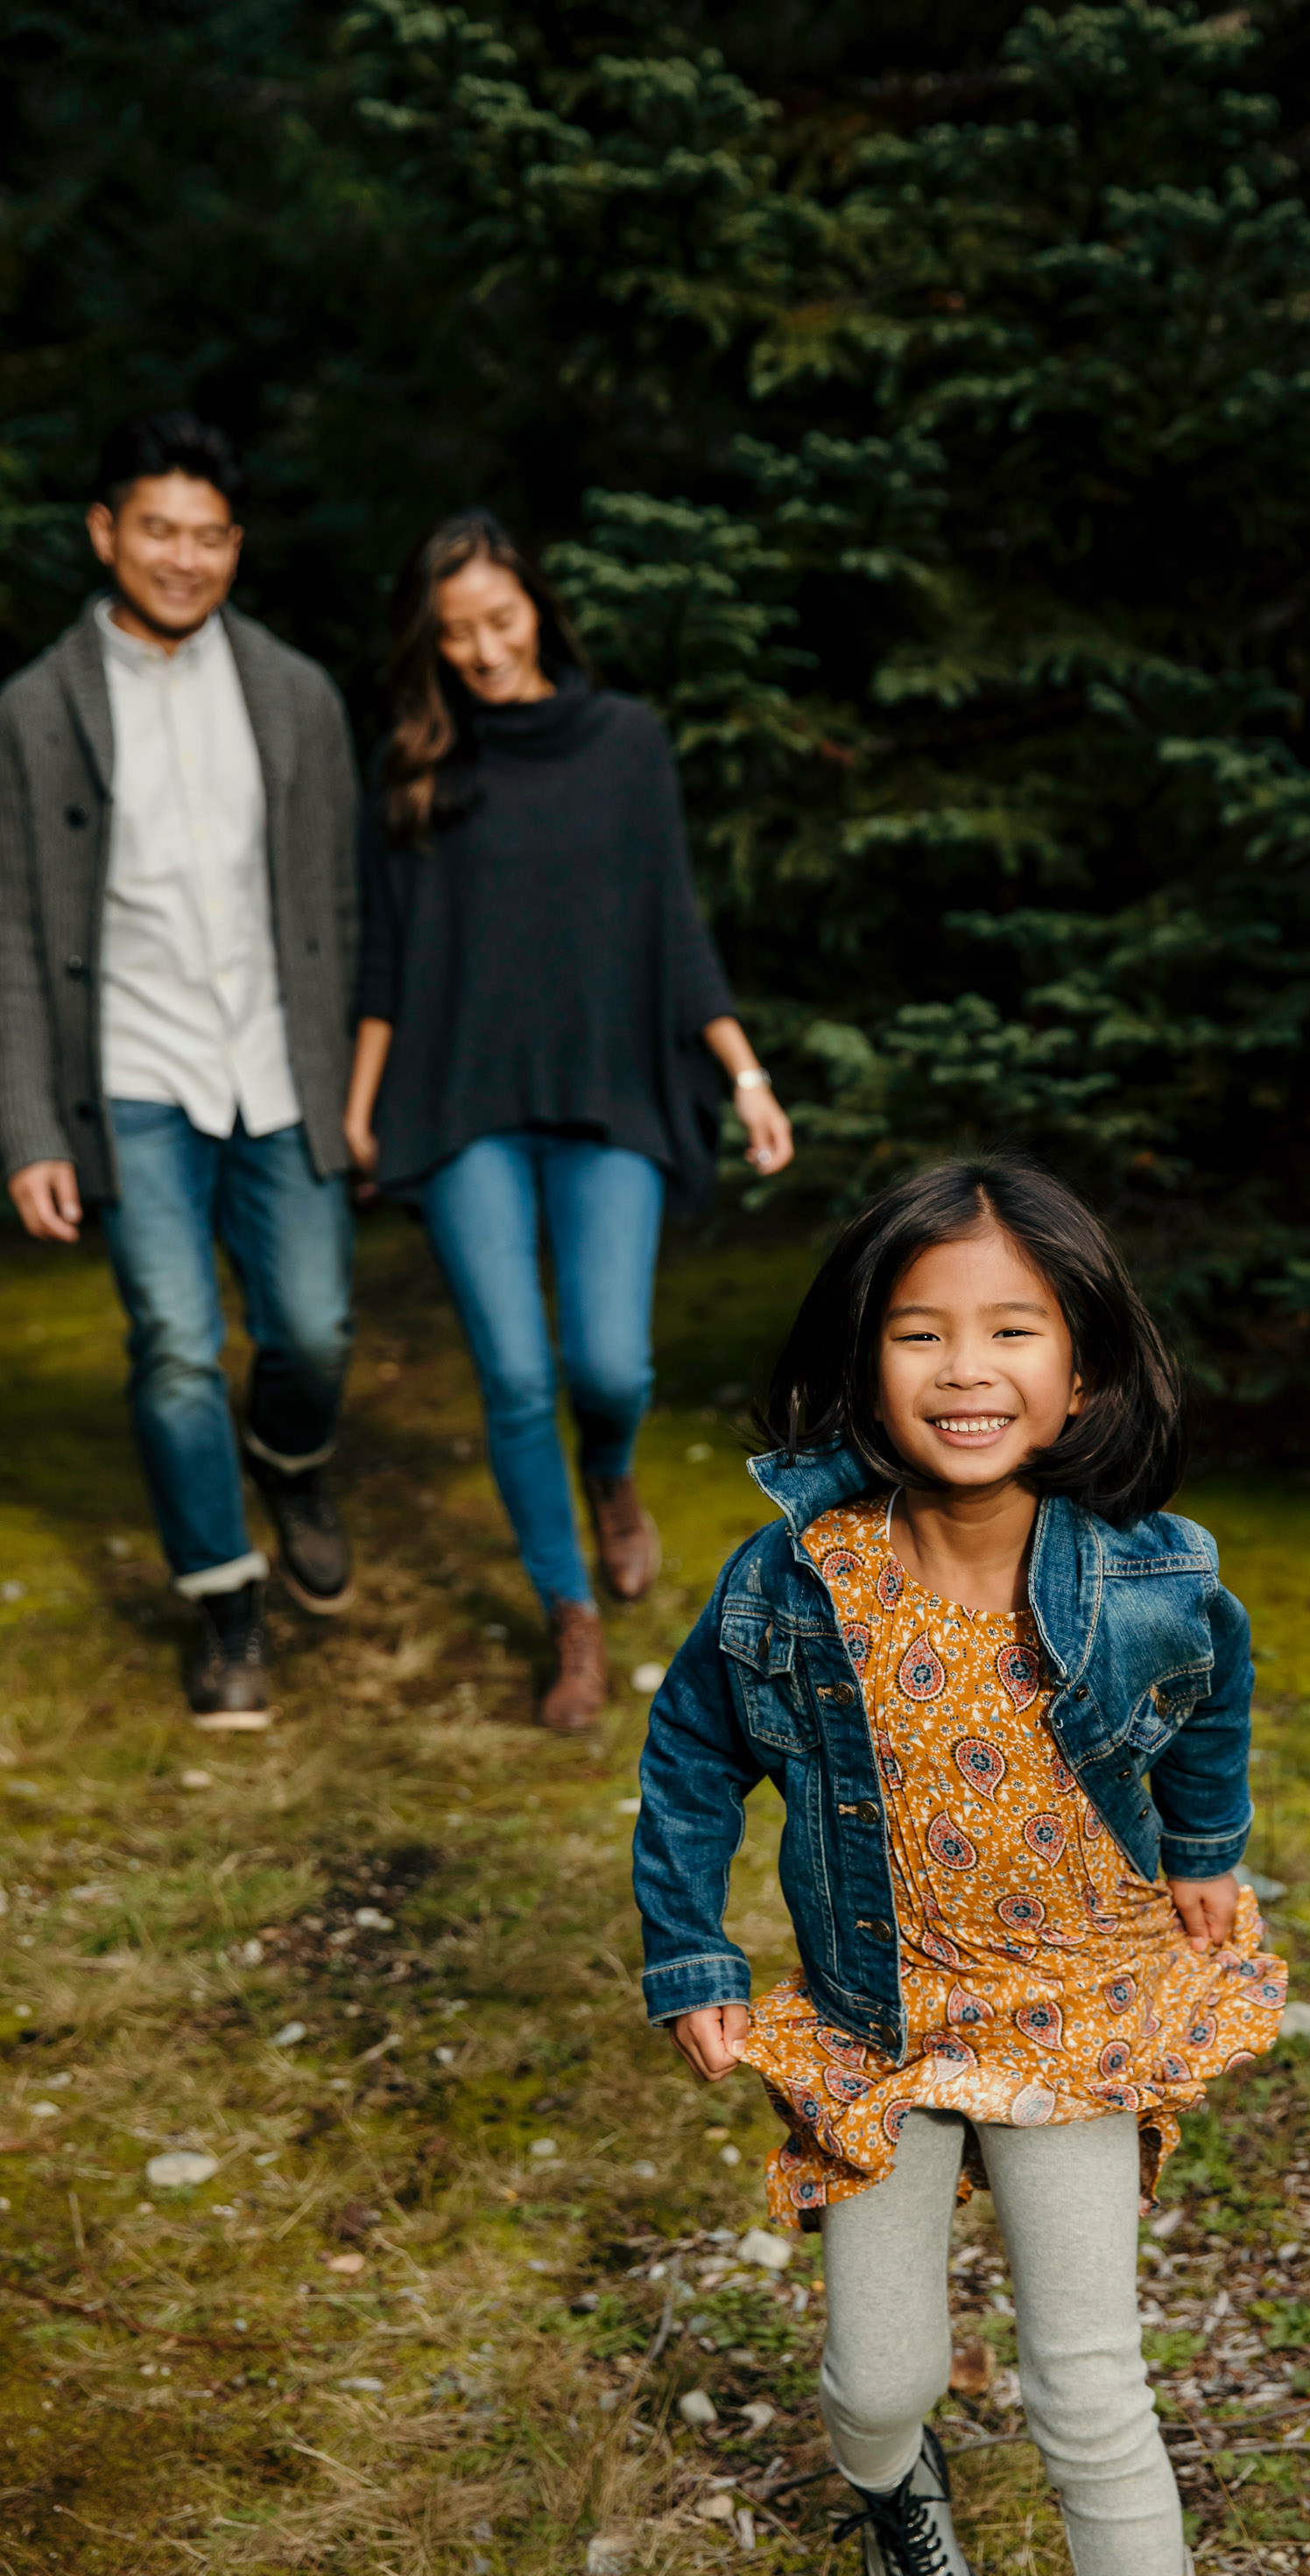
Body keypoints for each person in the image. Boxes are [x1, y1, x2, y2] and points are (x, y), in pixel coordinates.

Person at [631, 1157, 1288, 2576]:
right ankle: (897, 2496)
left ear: (1082, 1367)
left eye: (1014, 1329)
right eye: (922, 1333)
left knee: (1090, 2384)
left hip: (1070, 2008)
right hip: (879, 2025)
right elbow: (694, 1757)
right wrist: (693, 1953)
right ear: (863, 1362)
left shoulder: (1146, 1576)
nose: (968, 1369)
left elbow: (1213, 1697)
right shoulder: (795, 1584)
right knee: (878, 2375)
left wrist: (1207, 1848)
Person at [346, 510, 792, 1732]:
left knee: (607, 1363)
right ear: (429, 644)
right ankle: (570, 1621)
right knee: (510, 1370)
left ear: (537, 605)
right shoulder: (417, 761)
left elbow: (672, 924)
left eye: (500, 619)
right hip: (462, 1098)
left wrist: (744, 1074)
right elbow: (387, 954)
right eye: (455, 635)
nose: (483, 651)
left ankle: (611, 1475)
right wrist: (360, 1104)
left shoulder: (626, 742)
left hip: (610, 1090)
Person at [0, 410, 360, 1730]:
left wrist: (362, 1084)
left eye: (211, 536)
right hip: (136, 1071)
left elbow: (341, 898)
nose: (185, 558)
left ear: (236, 547)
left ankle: (294, 1456)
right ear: (105, 533)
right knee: (171, 1345)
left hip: (278, 1064)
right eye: (159, 529)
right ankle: (225, 1604)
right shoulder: (33, 714)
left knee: (314, 1328)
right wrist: (29, 1127)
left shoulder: (297, 693)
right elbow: (9, 936)